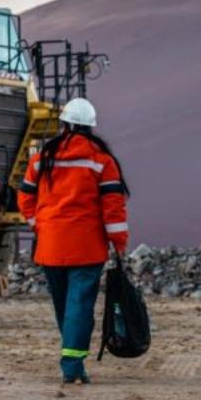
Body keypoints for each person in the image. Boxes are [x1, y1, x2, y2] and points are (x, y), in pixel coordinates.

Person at [17, 97, 129, 384]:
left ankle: (73, 359)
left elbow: (25, 198)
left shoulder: (41, 159)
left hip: (51, 247)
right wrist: (119, 242)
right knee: (79, 306)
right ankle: (71, 364)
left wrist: (39, 225)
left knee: (64, 307)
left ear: (64, 124)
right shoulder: (101, 161)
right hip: (86, 248)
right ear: (90, 127)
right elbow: (113, 208)